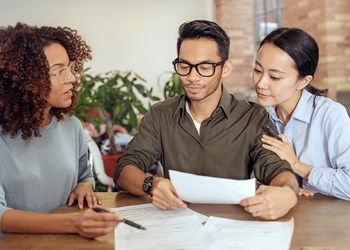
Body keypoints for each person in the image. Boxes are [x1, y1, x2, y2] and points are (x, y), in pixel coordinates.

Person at [115, 20, 299, 220]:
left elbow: (279, 171)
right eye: (184, 66)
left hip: (234, 226)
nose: (192, 77)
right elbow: (124, 169)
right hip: (176, 225)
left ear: (225, 68)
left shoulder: (252, 117)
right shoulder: (160, 115)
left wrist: (288, 194)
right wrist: (152, 184)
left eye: (204, 67)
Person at [0, 23, 121, 238]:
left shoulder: (71, 126)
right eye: (59, 71)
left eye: (71, 69)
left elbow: (85, 176)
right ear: (26, 79)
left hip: (63, 242)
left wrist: (84, 186)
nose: (72, 79)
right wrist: (73, 223)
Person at [253, 27, 350, 200]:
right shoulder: (259, 118)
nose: (261, 83)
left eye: (274, 77)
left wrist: (298, 167)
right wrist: (288, 186)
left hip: (330, 221)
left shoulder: (330, 115)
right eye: (258, 70)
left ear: (303, 81)